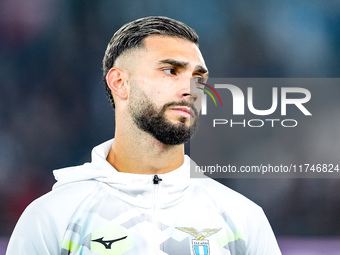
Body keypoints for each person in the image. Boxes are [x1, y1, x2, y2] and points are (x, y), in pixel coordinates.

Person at [6, 16, 281, 255]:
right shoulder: (53, 217)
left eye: (198, 77)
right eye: (170, 71)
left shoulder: (242, 218)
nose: (191, 90)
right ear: (120, 83)